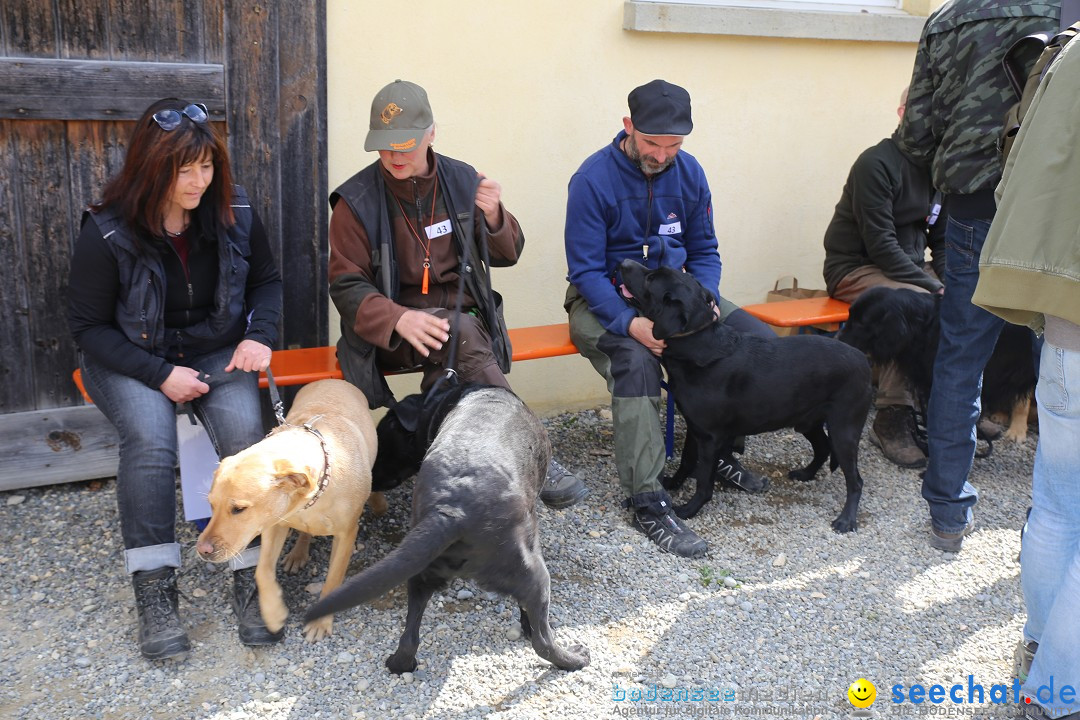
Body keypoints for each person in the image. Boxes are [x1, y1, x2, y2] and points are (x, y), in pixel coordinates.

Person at [67, 98, 284, 659]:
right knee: (150, 442)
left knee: (243, 446)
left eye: (206, 166)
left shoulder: (233, 211)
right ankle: (155, 591)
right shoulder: (107, 231)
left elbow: (267, 282)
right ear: (151, 166)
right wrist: (160, 375)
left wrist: (259, 335)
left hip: (216, 351)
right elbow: (89, 328)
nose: (198, 180)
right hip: (130, 359)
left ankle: (249, 578)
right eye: (182, 169)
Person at [328, 80, 587, 509]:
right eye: (385, 146)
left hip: (461, 325)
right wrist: (396, 318)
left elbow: (510, 253)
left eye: (405, 145)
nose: (394, 157)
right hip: (389, 336)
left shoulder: (462, 180)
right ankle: (535, 453)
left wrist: (494, 216)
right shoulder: (354, 202)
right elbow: (346, 284)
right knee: (462, 337)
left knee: (446, 395)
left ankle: (426, 498)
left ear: (432, 133)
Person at [564, 79, 774, 558]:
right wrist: (627, 323)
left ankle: (717, 452)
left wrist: (708, 300)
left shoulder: (691, 172)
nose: (662, 155)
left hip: (677, 297)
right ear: (628, 128)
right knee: (636, 365)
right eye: (653, 144)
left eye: (674, 145)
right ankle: (648, 498)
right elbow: (586, 271)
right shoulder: (592, 179)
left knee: (754, 340)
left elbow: (705, 250)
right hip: (603, 302)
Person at [895, 0, 1060, 552]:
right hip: (1053, 209)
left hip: (973, 205)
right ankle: (1055, 525)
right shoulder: (1065, 10)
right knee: (1062, 359)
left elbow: (915, 135)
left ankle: (947, 511)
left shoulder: (948, 18)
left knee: (961, 359)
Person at [973, 35, 1080, 720]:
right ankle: (1056, 696)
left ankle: (1039, 651)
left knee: (1057, 503)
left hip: (1064, 322)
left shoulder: (1070, 54)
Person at [823, 86, 946, 469]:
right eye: (920, 111)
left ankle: (950, 408)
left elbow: (942, 243)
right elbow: (882, 248)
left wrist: (954, 284)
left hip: (908, 270)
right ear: (901, 112)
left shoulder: (943, 169)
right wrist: (933, 286)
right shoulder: (875, 163)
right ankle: (892, 417)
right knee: (911, 306)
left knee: (963, 302)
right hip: (855, 268)